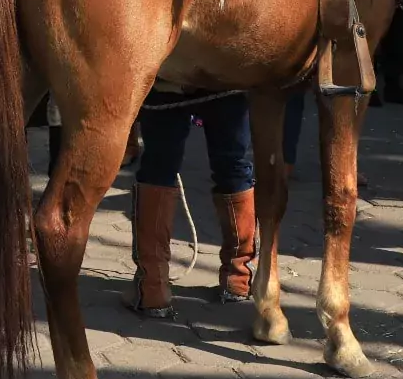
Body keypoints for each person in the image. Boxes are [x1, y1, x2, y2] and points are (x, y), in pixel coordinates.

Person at [124, 89, 307, 315]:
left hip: (171, 78)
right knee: (232, 164)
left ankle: (153, 288)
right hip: (226, 78)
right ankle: (238, 278)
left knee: (158, 166)